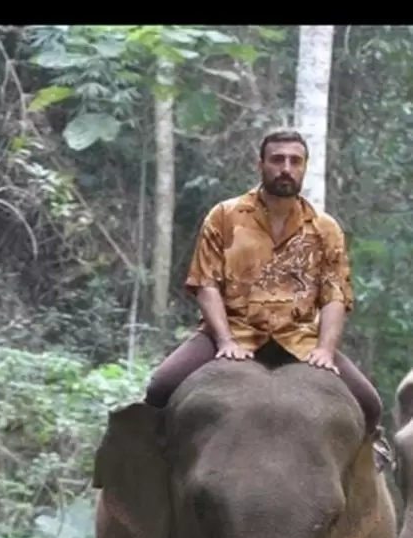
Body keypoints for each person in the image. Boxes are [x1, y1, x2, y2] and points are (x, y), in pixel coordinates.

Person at [145, 129, 392, 467]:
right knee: (161, 385)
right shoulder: (224, 216)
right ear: (260, 164)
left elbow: (335, 294)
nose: (286, 168)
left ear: (304, 167)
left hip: (299, 338)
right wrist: (225, 340)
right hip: (234, 330)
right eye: (277, 160)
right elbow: (206, 284)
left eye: (295, 161)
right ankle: (148, 463)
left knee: (370, 403)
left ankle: (368, 458)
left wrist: (325, 349)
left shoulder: (325, 228)